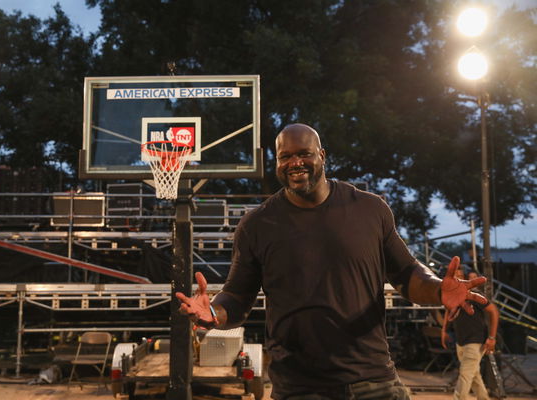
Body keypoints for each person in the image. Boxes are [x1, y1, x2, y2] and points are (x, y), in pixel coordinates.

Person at [176, 123, 487, 400]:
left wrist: (437, 290)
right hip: (298, 386)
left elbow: (407, 274)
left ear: (322, 155)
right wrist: (215, 312)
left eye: (304, 154)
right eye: (285, 157)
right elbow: (238, 297)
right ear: (277, 163)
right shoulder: (257, 224)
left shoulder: (370, 210)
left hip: (372, 380)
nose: (295, 163)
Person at [441, 267, 499, 400]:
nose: (457, 278)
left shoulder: (475, 295)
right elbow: (447, 310)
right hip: (460, 341)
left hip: (475, 340)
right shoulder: (453, 294)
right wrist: (444, 330)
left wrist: (492, 337)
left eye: (459, 275)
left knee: (465, 375)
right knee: (474, 376)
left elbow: (494, 311)